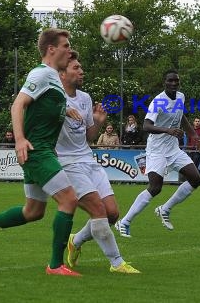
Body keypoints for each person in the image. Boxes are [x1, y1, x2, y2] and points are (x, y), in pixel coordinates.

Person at [0, 28, 81, 276]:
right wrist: (19, 140)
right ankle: (55, 265)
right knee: (69, 200)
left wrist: (67, 110)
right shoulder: (41, 74)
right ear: (51, 49)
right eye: (65, 45)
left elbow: (44, 112)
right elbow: (18, 104)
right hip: (36, 151)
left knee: (33, 212)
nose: (69, 50)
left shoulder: (53, 79)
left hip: (42, 151)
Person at [56, 51, 140, 274]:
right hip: (67, 164)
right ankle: (117, 262)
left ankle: (77, 240)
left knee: (112, 213)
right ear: (62, 73)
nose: (81, 71)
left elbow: (88, 137)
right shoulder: (53, 97)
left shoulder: (85, 98)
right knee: (98, 210)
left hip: (87, 159)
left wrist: (99, 122)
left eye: (81, 67)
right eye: (76, 68)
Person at [115, 70, 200, 237]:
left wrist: (194, 135)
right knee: (155, 188)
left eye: (176, 81)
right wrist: (168, 130)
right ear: (165, 82)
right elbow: (146, 126)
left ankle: (165, 209)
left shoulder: (180, 97)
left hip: (173, 149)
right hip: (156, 151)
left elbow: (181, 117)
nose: (174, 83)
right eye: (170, 81)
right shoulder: (158, 101)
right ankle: (124, 222)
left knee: (196, 178)